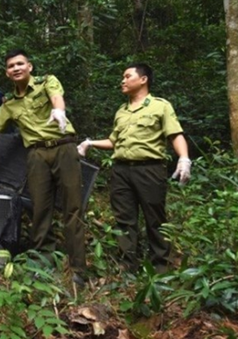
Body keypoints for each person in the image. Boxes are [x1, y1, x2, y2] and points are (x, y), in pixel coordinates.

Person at [0, 49, 86, 282]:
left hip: (63, 147)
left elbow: (56, 96)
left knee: (72, 208)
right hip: (35, 154)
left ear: (29, 66)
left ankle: (78, 269)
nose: (16, 68)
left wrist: (59, 111)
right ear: (7, 72)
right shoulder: (10, 103)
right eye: (11, 66)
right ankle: (43, 264)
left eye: (20, 64)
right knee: (39, 209)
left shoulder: (47, 82)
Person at [77, 63, 191, 274]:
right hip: (121, 171)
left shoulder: (160, 106)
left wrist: (184, 158)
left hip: (149, 169)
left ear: (143, 79)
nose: (122, 80)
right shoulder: (122, 111)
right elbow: (114, 141)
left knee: (154, 218)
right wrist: (89, 143)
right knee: (124, 218)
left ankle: (160, 267)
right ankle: (128, 265)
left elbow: (175, 134)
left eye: (127, 76)